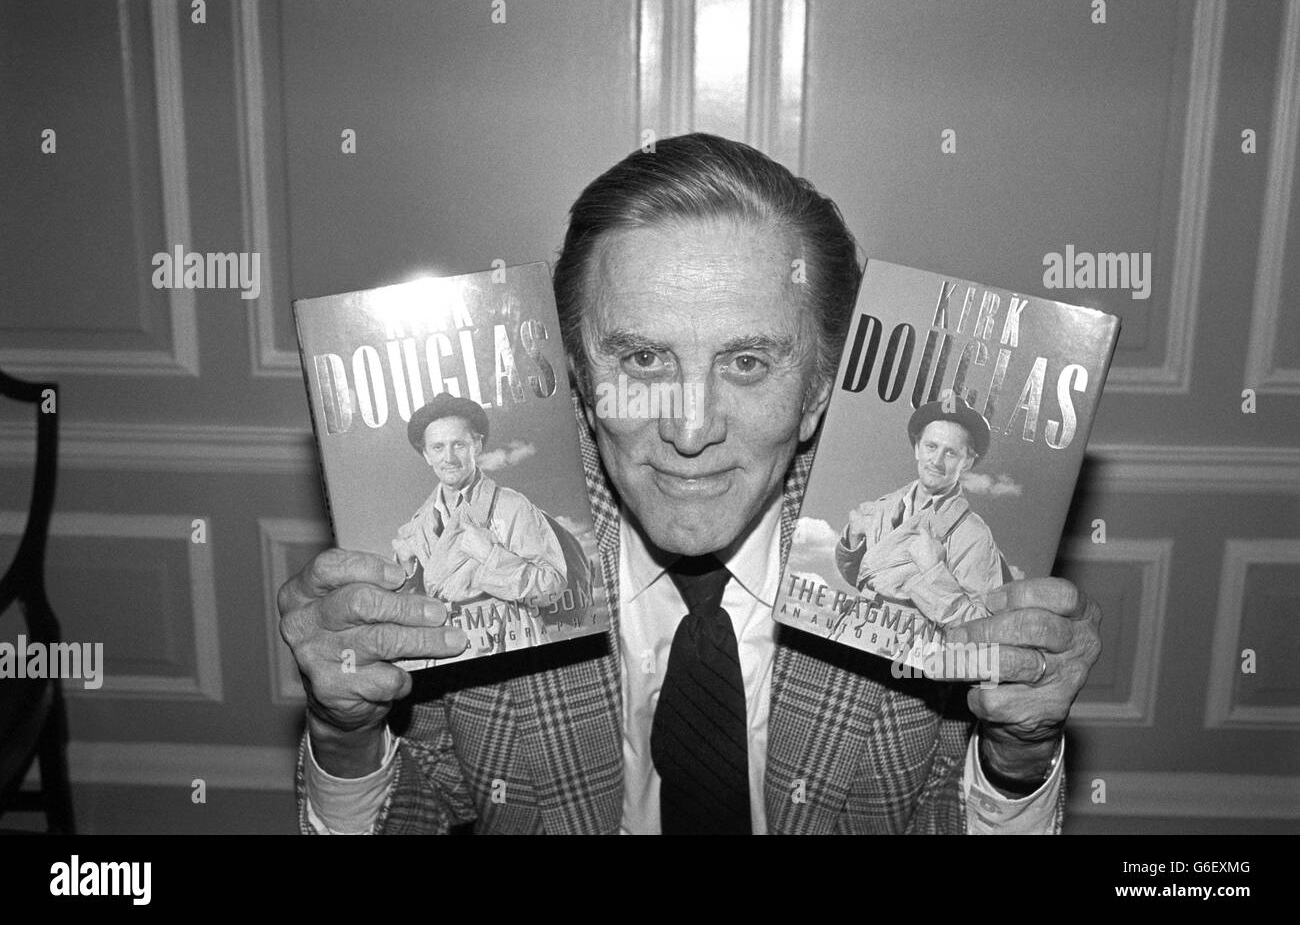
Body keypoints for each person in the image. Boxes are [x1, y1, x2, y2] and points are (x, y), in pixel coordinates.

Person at [278, 132, 1102, 834]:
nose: (690, 427)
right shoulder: (482, 575)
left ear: (819, 390)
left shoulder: (915, 578)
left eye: (747, 363)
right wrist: (345, 732)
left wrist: (1016, 760)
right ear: (578, 382)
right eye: (642, 359)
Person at [392, 393, 568, 656]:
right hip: (450, 646)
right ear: (426, 455)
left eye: (459, 445)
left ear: (477, 445)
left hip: (510, 637)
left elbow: (552, 587)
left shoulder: (511, 506)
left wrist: (491, 556)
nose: (449, 457)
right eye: (438, 448)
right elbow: (410, 607)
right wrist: (405, 570)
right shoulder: (418, 526)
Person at [834, 396, 1004, 634]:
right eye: (931, 446)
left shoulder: (974, 534)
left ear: (967, 462)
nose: (936, 460)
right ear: (917, 448)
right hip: (850, 628)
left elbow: (982, 627)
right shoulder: (884, 506)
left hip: (906, 653)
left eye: (951, 453)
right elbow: (866, 579)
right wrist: (854, 538)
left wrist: (933, 571)